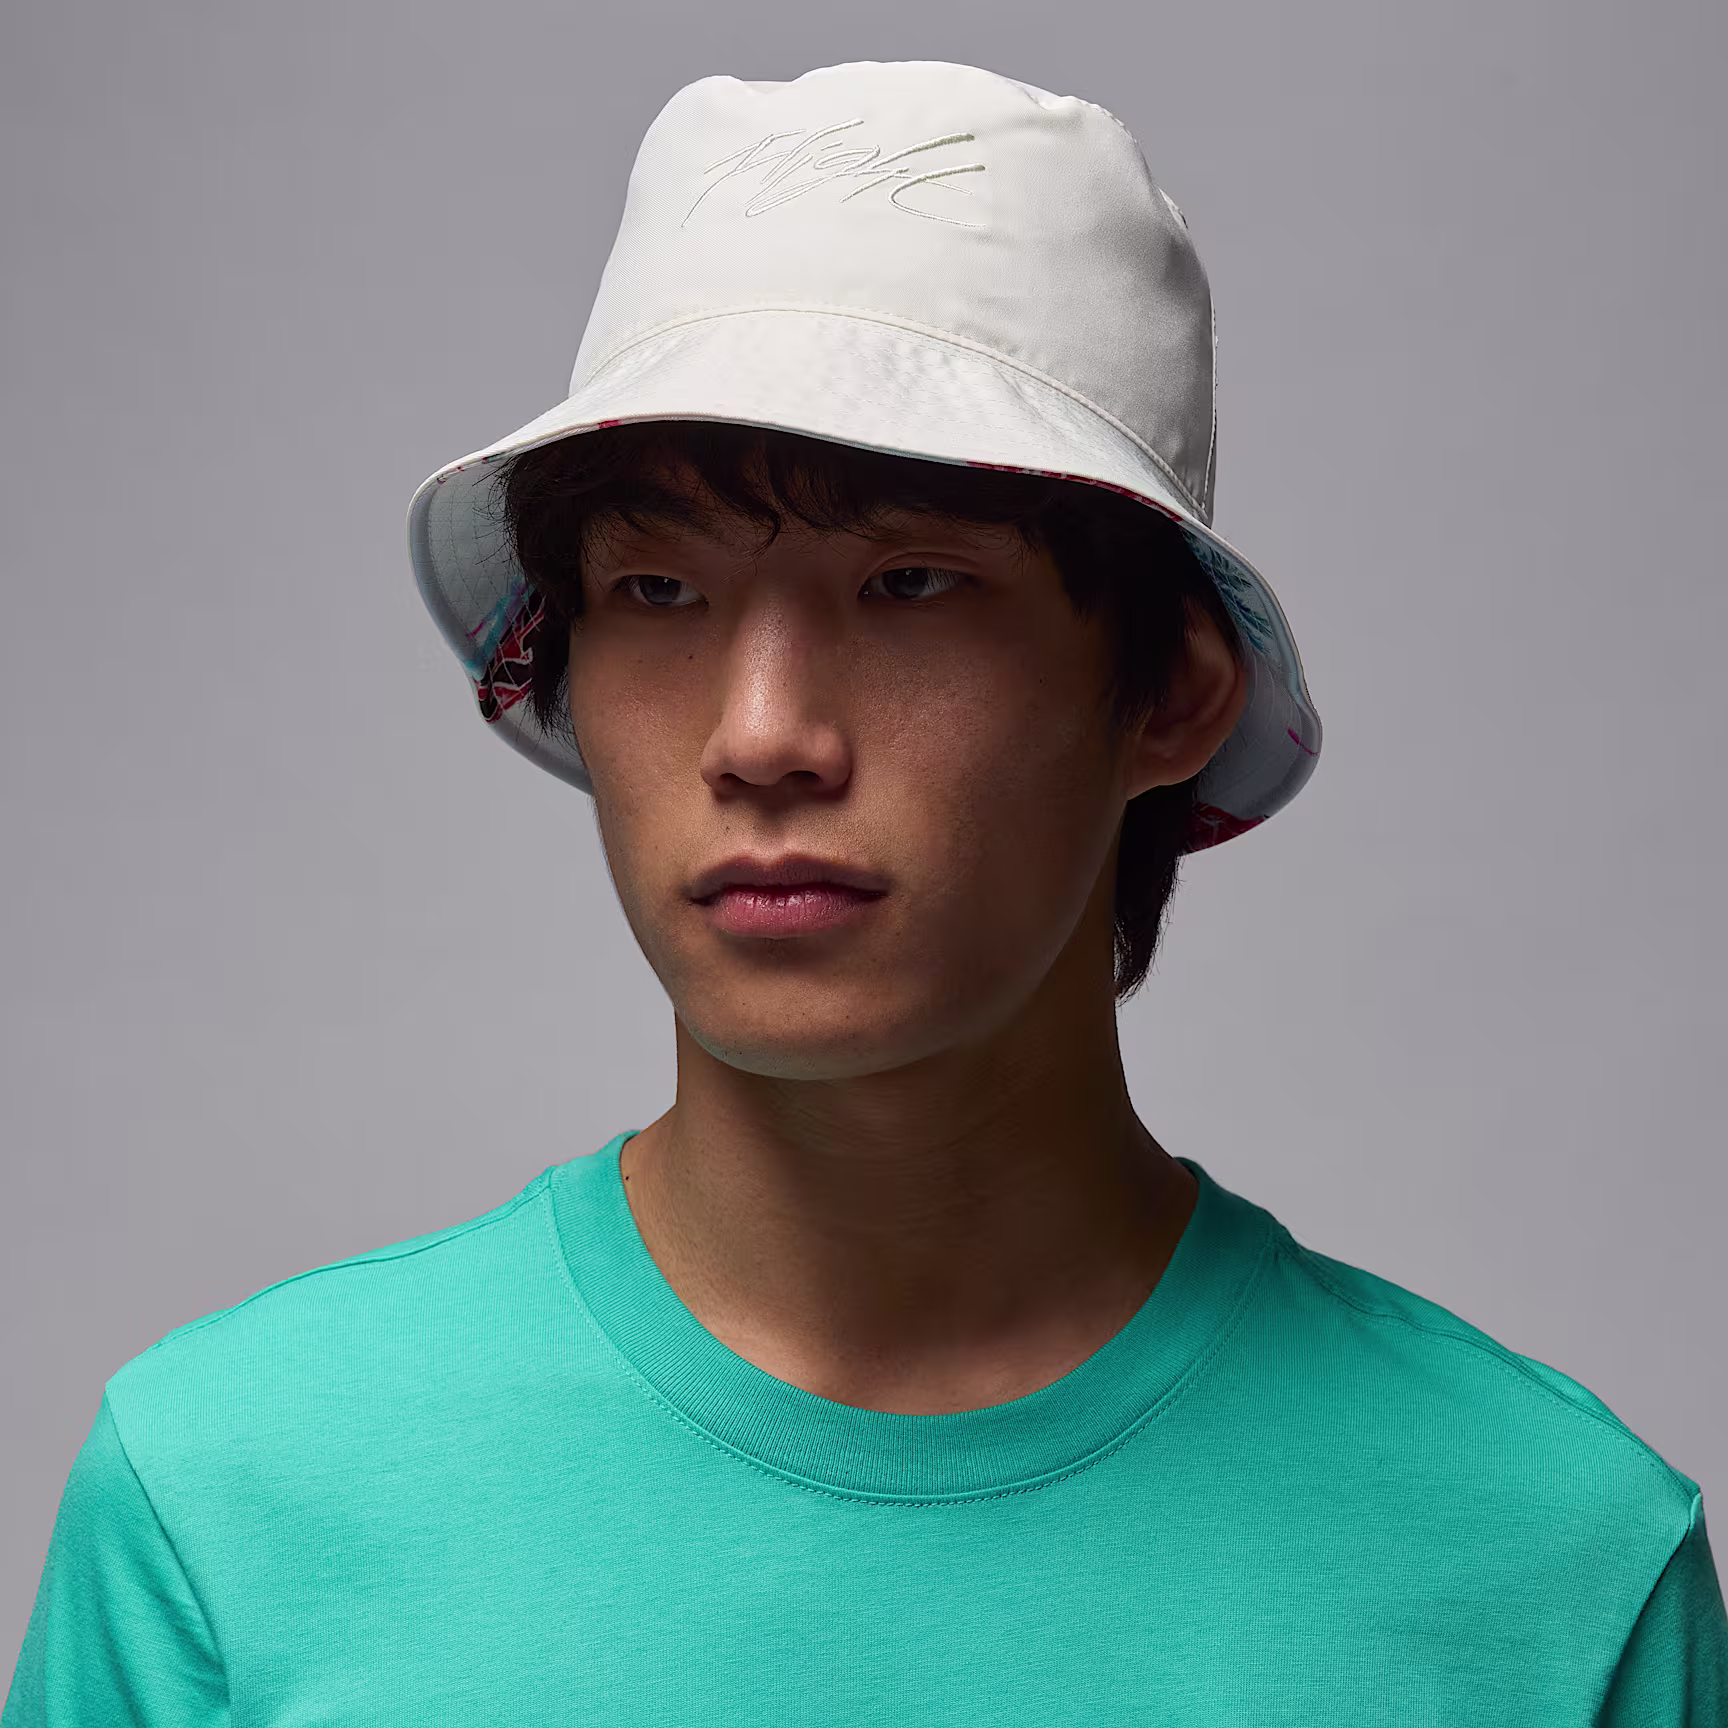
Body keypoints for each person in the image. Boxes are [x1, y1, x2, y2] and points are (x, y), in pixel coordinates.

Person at [8, 59, 1724, 1727]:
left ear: (1168, 692)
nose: (763, 737)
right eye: (657, 590)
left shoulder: (1551, 1570)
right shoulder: (227, 1506)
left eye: (911, 583)